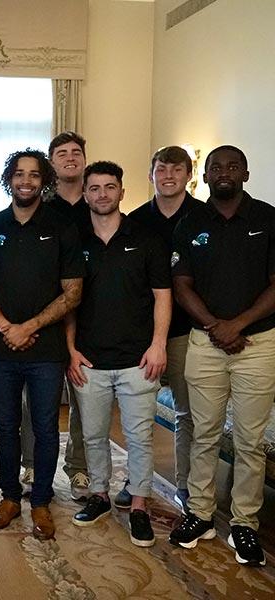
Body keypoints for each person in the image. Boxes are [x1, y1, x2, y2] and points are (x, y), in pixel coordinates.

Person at [169, 146, 275, 567]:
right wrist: (216, 325)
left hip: (259, 345)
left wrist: (239, 324)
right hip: (205, 343)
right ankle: (199, 514)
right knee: (204, 433)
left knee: (251, 440)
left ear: (245, 173)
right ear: (205, 175)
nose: (224, 172)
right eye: (216, 167)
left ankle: (245, 524)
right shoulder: (189, 222)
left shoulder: (268, 219)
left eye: (232, 166)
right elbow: (181, 284)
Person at [0, 149, 83, 540]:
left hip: (46, 352)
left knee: (46, 427)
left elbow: (73, 294)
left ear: (44, 181)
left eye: (34, 175)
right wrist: (7, 328)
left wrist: (30, 326)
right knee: (4, 427)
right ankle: (8, 498)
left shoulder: (63, 228)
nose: (26, 181)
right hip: (2, 348)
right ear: (9, 179)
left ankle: (40, 501)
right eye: (19, 174)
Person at [66, 161, 171, 548]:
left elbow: (163, 295)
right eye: (94, 189)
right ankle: (99, 496)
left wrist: (158, 344)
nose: (102, 195)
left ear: (122, 192)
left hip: (138, 361)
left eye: (110, 187)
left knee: (139, 438)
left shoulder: (146, 239)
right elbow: (70, 303)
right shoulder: (75, 242)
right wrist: (71, 350)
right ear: (86, 194)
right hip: (90, 361)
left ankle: (140, 505)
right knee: (93, 436)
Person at [127, 146, 202, 511]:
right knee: (138, 413)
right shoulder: (136, 221)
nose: (169, 175)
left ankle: (186, 485)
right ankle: (135, 481)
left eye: (177, 169)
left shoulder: (206, 217)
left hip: (188, 333)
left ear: (189, 174)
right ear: (151, 174)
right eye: (162, 169)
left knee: (187, 412)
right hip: (143, 332)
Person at [44, 131, 91, 502]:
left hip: (91, 317)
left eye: (76, 152)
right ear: (52, 162)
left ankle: (78, 468)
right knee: (38, 401)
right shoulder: (41, 206)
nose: (70, 158)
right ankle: (31, 464)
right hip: (46, 316)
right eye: (62, 153)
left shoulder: (98, 203)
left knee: (83, 400)